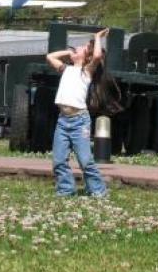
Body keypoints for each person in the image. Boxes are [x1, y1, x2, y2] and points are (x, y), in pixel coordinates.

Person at [46, 28, 111, 198]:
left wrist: (97, 37)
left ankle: (98, 190)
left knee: (85, 160)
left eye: (82, 48)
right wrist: (68, 52)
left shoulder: (86, 71)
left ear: (86, 57)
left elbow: (97, 56)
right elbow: (50, 57)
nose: (77, 48)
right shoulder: (66, 69)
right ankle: (66, 190)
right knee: (59, 160)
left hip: (79, 122)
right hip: (63, 121)